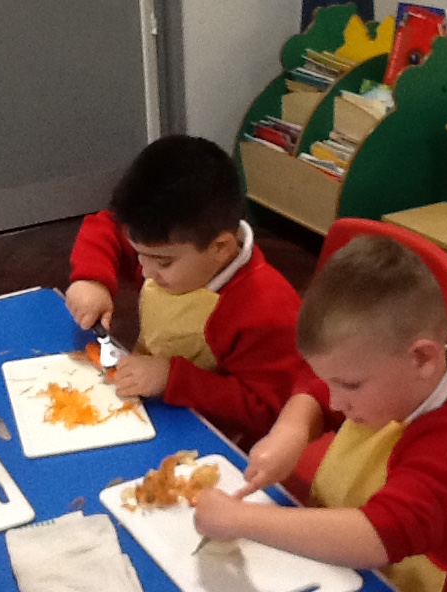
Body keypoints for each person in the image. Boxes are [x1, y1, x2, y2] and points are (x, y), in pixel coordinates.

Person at [193, 236, 447, 592]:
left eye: (350, 386)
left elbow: (378, 535)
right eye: (333, 384)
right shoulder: (387, 377)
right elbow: (319, 385)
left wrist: (240, 519)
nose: (337, 403)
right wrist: (291, 430)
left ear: (423, 358)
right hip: (343, 574)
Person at [65, 135, 305, 450]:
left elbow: (267, 410)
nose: (147, 271)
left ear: (220, 248)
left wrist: (172, 379)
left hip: (218, 441)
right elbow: (106, 227)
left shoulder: (267, 310)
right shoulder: (170, 242)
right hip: (152, 402)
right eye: (139, 255)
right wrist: (91, 280)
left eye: (162, 262)